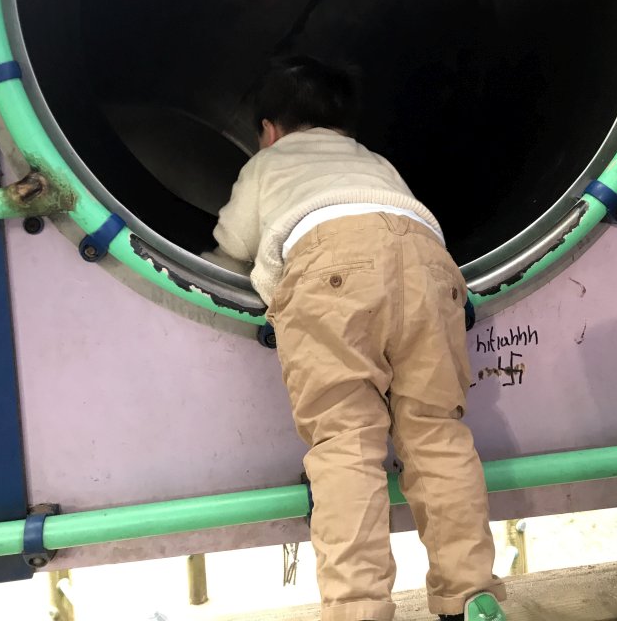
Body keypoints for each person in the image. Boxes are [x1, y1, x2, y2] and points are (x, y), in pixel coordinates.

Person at [213, 56, 507, 621]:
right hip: (430, 263)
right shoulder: (374, 161)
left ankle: (359, 608)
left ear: (268, 131)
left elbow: (232, 242)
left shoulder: (269, 162)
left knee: (346, 443)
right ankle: (471, 597)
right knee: (437, 434)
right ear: (345, 128)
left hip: (330, 266)